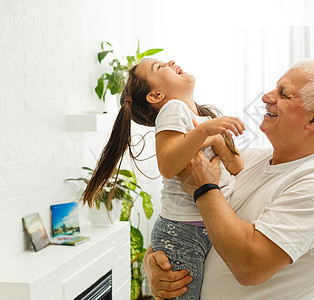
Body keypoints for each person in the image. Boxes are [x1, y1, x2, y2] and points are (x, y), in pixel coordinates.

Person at [144, 59, 314, 300]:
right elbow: (190, 225)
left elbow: (249, 267)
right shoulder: (248, 160)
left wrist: (204, 187)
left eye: (283, 94)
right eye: (275, 87)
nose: (266, 96)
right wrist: (154, 264)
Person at [80, 59, 245, 299]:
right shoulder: (174, 109)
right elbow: (167, 165)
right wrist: (204, 132)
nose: (171, 61)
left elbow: (237, 166)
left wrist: (217, 139)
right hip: (182, 232)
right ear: (157, 95)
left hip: (205, 227)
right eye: (160, 67)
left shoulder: (204, 117)